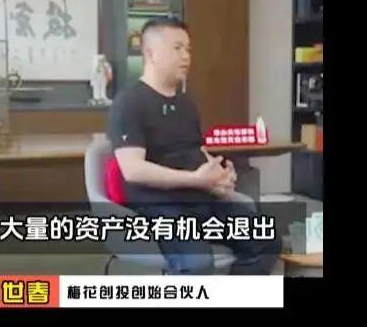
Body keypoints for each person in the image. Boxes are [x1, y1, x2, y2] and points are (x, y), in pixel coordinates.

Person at [107, 17, 280, 274]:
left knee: (267, 240)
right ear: (150, 53)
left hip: (199, 198)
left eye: (188, 49)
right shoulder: (129, 103)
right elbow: (133, 170)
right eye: (177, 48)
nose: (186, 56)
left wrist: (218, 173)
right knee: (197, 264)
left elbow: (196, 151)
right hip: (158, 207)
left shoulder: (186, 104)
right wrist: (196, 179)